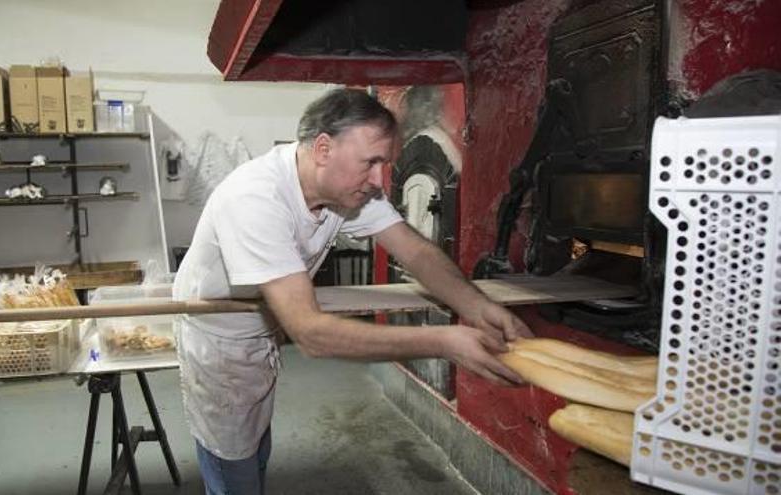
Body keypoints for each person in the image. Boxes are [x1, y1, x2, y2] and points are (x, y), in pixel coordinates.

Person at [172, 88, 532, 495]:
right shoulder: (255, 199)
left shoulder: (345, 190)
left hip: (260, 332)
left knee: (255, 448)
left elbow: (414, 250)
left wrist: (477, 306)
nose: (380, 180)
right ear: (323, 148)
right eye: (371, 163)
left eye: (385, 163)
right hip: (220, 347)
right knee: (232, 466)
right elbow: (310, 333)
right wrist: (444, 341)